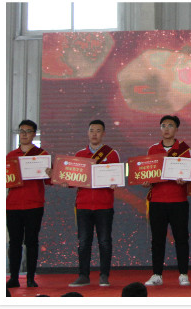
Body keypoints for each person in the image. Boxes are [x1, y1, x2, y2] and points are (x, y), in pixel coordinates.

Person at [68, 120, 120, 288]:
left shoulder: (112, 154)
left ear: (103, 133)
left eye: (98, 131)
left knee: (104, 242)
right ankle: (83, 275)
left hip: (104, 205)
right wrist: (66, 180)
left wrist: (115, 182)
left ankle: (104, 275)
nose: (94, 134)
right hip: (83, 205)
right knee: (83, 242)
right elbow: (73, 180)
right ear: (88, 133)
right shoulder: (80, 154)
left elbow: (116, 176)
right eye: (92, 130)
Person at [144, 115, 191, 287]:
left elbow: (189, 174)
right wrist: (146, 180)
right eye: (163, 125)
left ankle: (183, 274)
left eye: (170, 125)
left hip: (178, 201)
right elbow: (147, 172)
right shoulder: (152, 149)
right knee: (157, 239)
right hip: (157, 201)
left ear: (176, 129)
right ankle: (157, 274)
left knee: (181, 238)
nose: (166, 129)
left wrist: (184, 179)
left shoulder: (184, 150)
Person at [6, 120, 50, 289]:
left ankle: (31, 278)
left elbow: (49, 181)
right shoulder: (11, 156)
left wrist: (50, 173)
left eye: (28, 131)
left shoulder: (42, 155)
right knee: (14, 242)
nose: (24, 134)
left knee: (31, 241)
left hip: (34, 204)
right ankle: (14, 277)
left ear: (34, 134)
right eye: (21, 131)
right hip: (13, 205)